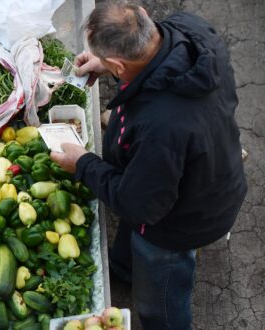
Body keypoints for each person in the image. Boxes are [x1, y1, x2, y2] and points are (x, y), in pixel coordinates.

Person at [50, 3, 247, 330]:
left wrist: (82, 164)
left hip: (184, 218)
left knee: (161, 291)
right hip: (204, 160)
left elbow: (139, 205)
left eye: (111, 64)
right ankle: (126, 268)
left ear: (121, 63)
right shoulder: (187, 30)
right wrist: (107, 64)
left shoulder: (162, 127)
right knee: (134, 241)